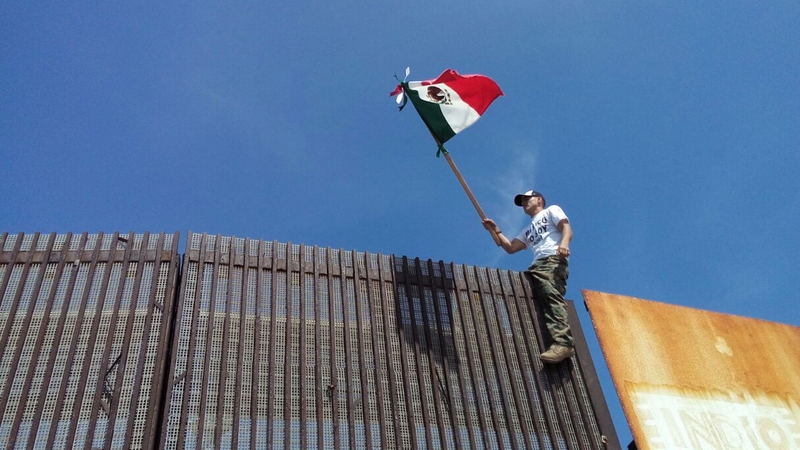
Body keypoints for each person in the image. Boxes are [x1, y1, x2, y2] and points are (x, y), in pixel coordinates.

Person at [482, 189, 575, 364]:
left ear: (539, 199)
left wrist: (563, 244)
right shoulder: (527, 229)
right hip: (537, 265)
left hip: (552, 259)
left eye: (526, 199)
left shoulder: (551, 210)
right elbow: (510, 247)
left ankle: (563, 343)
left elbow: (566, 228)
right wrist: (495, 230)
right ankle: (549, 340)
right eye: (522, 201)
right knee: (533, 298)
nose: (524, 203)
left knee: (550, 296)